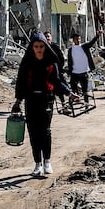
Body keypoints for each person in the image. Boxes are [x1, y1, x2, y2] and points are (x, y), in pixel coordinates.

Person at [12, 33, 76, 177]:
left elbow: (57, 81)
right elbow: (21, 82)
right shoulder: (27, 62)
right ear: (32, 47)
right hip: (31, 99)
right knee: (33, 132)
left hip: (47, 98)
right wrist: (18, 101)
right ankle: (37, 163)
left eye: (41, 46)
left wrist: (69, 93)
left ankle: (47, 161)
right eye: (36, 47)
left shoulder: (51, 62)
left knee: (45, 131)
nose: (39, 49)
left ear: (45, 47)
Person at [67, 31, 100, 107]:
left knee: (85, 90)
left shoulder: (84, 47)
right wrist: (69, 71)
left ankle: (86, 105)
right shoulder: (70, 50)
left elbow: (92, 42)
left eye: (79, 39)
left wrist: (97, 35)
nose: (78, 40)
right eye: (76, 39)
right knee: (73, 90)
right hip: (74, 73)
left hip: (84, 72)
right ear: (73, 40)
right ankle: (71, 104)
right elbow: (69, 61)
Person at [43, 31, 67, 110]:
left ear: (51, 38)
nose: (47, 38)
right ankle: (48, 106)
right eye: (45, 37)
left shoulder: (54, 46)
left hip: (56, 71)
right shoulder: (41, 48)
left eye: (48, 36)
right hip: (46, 73)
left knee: (60, 87)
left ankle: (64, 104)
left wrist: (59, 68)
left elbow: (61, 58)